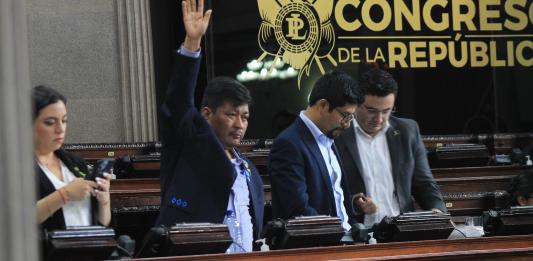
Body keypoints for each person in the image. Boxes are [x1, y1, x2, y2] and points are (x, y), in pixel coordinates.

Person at [155, 0, 264, 252]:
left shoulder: (249, 170)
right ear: (206, 114)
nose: (239, 124)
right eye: (231, 115)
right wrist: (192, 45)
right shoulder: (190, 144)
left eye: (245, 117)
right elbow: (178, 103)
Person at [335, 68, 446, 227]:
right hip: (357, 234)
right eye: (371, 110)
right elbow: (329, 191)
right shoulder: (338, 135)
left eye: (386, 111)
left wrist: (437, 211)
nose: (379, 119)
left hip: (401, 231)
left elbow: (424, 184)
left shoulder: (407, 131)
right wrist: (355, 204)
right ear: (356, 104)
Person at [268, 70, 359, 232]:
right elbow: (298, 211)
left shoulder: (329, 137)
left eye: (351, 118)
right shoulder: (288, 144)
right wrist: (337, 236)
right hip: (318, 246)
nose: (347, 124)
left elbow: (337, 198)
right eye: (345, 116)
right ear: (323, 105)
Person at [34, 85, 111, 231]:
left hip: (90, 249)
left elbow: (103, 224)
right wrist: (64, 194)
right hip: (48, 252)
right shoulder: (15, 168)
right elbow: (17, 220)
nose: (60, 129)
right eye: (50, 122)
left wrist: (104, 200)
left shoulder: (76, 163)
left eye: (64, 121)